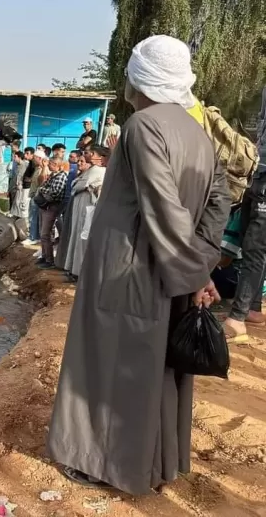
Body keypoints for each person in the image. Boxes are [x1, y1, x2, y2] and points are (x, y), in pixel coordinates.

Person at [47, 35, 230, 495]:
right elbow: (219, 204)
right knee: (158, 369)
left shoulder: (143, 126)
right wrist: (201, 265)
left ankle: (100, 465)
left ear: (141, 75)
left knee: (110, 367)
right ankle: (158, 463)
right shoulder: (200, 136)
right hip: (173, 270)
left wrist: (192, 273)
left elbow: (161, 205)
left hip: (126, 271)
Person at [222, 85, 266, 342]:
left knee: (254, 248)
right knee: (249, 240)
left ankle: (237, 318)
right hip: (257, 175)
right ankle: (253, 308)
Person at [59, 145, 109, 281]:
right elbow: (75, 185)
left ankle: (78, 271)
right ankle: (72, 268)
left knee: (82, 238)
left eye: (88, 153)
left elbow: (79, 185)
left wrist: (81, 184)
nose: (86, 155)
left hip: (88, 207)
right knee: (76, 236)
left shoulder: (98, 170)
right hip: (81, 206)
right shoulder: (91, 170)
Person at [34, 157, 68, 268]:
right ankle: (44, 256)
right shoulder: (53, 175)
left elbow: (54, 193)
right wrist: (43, 189)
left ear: (58, 165)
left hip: (51, 207)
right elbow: (43, 185)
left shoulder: (61, 177)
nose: (49, 165)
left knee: (45, 234)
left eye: (52, 164)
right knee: (42, 233)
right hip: (45, 206)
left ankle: (49, 260)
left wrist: (43, 190)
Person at [24, 150, 49, 245]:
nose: (33, 159)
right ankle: (35, 236)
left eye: (34, 157)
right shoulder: (37, 168)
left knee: (33, 217)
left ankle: (33, 237)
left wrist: (44, 167)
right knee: (35, 217)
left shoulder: (44, 169)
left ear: (39, 158)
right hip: (35, 195)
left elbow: (41, 182)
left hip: (38, 196)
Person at [8, 151, 29, 219]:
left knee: (20, 203)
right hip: (16, 186)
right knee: (15, 202)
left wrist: (22, 184)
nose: (14, 158)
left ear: (19, 157)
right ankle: (16, 215)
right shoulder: (17, 166)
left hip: (23, 187)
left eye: (15, 157)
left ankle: (21, 217)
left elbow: (27, 177)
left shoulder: (26, 165)